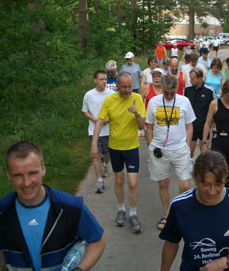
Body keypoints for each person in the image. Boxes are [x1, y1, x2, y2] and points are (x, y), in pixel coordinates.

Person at [0, 141, 105, 271]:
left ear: (43, 169)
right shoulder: (0, 211)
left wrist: (80, 269)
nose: (26, 183)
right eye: (18, 175)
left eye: (32, 173)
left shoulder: (71, 207)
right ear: (9, 175)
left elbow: (98, 241)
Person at [159, 151, 229, 271]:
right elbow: (171, 243)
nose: (212, 191)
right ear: (194, 176)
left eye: (218, 184)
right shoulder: (179, 206)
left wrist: (226, 262)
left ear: (225, 179)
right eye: (206, 184)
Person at [91, 72, 146, 234]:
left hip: (131, 147)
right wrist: (94, 144)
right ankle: (121, 209)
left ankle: (133, 213)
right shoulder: (110, 100)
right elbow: (100, 122)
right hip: (115, 147)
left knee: (133, 182)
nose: (128, 90)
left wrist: (136, 113)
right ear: (117, 86)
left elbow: (142, 126)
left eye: (129, 86)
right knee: (119, 179)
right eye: (124, 87)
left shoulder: (137, 98)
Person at [146, 74, 195, 230]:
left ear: (176, 90)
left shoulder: (184, 101)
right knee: (163, 183)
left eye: (172, 93)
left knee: (185, 184)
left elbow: (189, 126)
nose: (168, 96)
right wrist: (150, 145)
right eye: (166, 93)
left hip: (180, 149)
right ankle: (168, 215)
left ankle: (178, 212)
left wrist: (187, 146)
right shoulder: (153, 102)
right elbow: (149, 126)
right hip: (160, 150)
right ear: (162, 88)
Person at [82, 70, 114, 193]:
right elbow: (85, 110)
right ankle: (99, 181)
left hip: (108, 130)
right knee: (96, 155)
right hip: (93, 130)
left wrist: (108, 119)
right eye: (101, 79)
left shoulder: (111, 94)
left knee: (107, 153)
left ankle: (106, 165)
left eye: (105, 79)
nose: (104, 81)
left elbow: (115, 111)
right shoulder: (89, 95)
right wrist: (93, 119)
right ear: (95, 80)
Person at [184, 69, 216, 158]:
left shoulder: (210, 91)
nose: (190, 81)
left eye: (192, 79)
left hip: (204, 127)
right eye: (190, 78)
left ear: (200, 78)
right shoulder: (187, 90)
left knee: (204, 154)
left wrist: (214, 124)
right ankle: (189, 171)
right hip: (191, 127)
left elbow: (215, 108)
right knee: (189, 153)